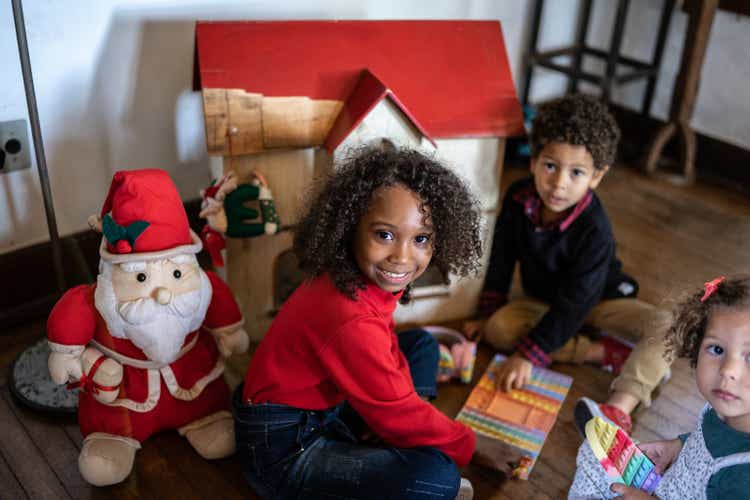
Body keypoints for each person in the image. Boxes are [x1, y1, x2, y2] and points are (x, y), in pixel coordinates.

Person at [233, 145, 514, 500]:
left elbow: (385, 344)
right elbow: (392, 402)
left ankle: (404, 436)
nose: (401, 256)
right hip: (285, 450)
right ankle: (405, 442)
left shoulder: (355, 278)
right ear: (351, 227)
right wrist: (472, 445)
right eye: (384, 235)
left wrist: (406, 417)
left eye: (421, 239)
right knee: (438, 476)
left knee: (421, 345)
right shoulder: (347, 315)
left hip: (325, 407)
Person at [463, 94, 671, 433]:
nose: (559, 183)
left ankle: (620, 405)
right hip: (545, 304)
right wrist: (487, 312)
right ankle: (600, 352)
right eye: (550, 166)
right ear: (533, 161)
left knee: (668, 326)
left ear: (596, 176)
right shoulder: (518, 199)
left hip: (597, 301)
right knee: (498, 330)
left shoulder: (595, 227)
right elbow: (500, 259)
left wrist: (528, 356)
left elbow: (578, 300)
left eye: (576, 172)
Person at [569, 276, 750, 499]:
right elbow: (707, 439)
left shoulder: (744, 474)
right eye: (717, 349)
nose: (728, 370)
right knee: (594, 451)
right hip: (668, 485)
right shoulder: (724, 406)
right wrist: (678, 446)